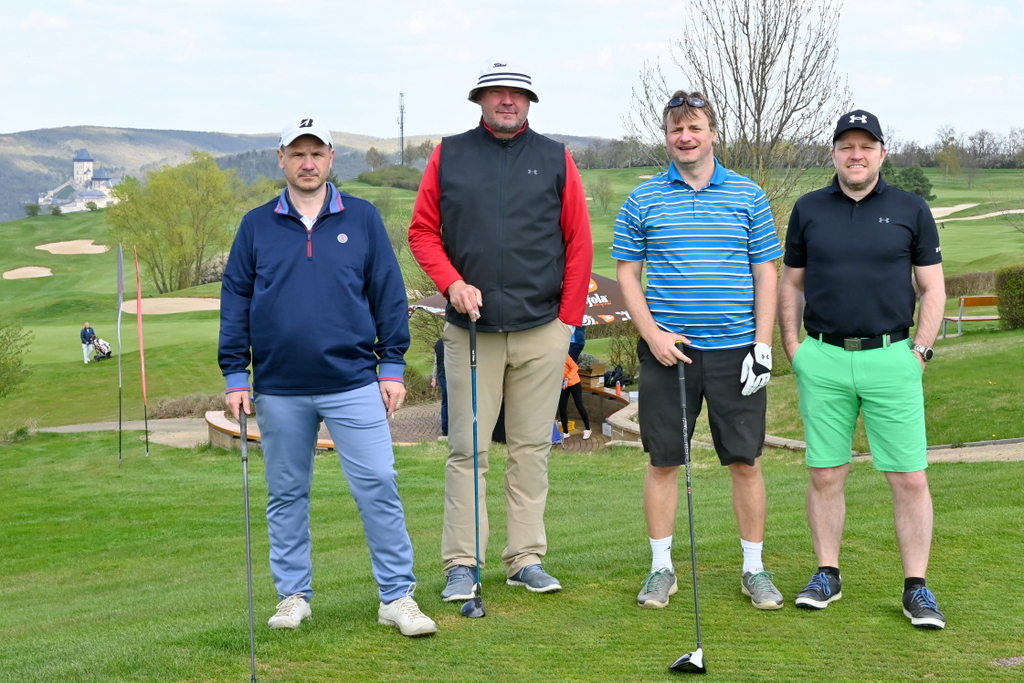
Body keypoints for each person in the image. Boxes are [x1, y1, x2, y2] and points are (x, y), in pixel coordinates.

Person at [219, 116, 436, 637]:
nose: (308, 163)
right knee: (286, 494)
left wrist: (392, 366)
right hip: (279, 386)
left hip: (354, 380)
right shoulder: (256, 225)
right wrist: (235, 374)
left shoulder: (361, 218)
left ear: (332, 158)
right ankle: (293, 596)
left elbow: (387, 294)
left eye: (316, 153)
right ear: (281, 159)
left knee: (378, 484)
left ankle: (397, 597)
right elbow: (236, 301)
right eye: (297, 154)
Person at [408, 59, 593, 602]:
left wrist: (567, 321)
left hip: (542, 329)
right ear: (480, 100)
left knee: (531, 449)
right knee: (467, 451)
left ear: (529, 102)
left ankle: (525, 558)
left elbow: (579, 241)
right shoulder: (449, 154)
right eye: (496, 93)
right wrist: (451, 283)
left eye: (517, 93)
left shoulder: (555, 157)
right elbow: (422, 232)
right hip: (471, 332)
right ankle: (462, 564)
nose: (507, 100)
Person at [613, 91, 785, 611]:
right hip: (670, 352)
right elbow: (627, 274)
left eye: (695, 128)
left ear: (712, 133)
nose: (685, 137)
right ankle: (660, 569)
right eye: (676, 129)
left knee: (746, 462)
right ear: (666, 137)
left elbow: (766, 272)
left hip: (737, 352)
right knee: (664, 462)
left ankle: (754, 570)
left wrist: (762, 345)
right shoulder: (642, 199)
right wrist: (652, 335)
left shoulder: (748, 195)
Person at [778, 110, 947, 629]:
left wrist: (920, 351)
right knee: (825, 473)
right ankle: (827, 574)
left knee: (909, 478)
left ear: (882, 153)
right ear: (833, 153)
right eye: (847, 146)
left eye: (866, 146)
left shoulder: (911, 208)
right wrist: (794, 347)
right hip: (823, 357)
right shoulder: (808, 209)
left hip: (892, 357)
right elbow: (792, 283)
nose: (856, 155)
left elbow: (932, 287)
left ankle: (916, 587)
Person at [558, 355, 592, 440]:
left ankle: (588, 429)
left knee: (579, 405)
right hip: (564, 385)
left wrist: (567, 378)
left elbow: (575, 367)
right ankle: (565, 432)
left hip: (574, 383)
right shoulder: (552, 358)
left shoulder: (565, 356)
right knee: (562, 407)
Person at [430, 338, 448, 437]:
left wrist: (434, 376)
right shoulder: (454, 341)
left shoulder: (439, 343)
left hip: (442, 375)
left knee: (445, 402)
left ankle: (446, 429)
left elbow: (436, 362)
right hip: (450, 375)